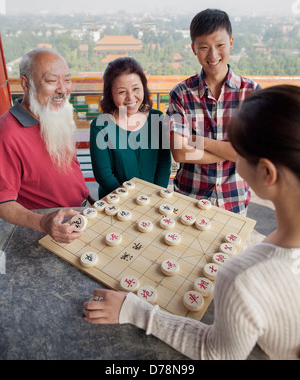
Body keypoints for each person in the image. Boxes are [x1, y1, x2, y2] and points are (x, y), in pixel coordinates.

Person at [83, 85, 300, 360]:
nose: (233, 155)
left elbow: (216, 353)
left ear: (267, 173)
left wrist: (134, 309)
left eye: (239, 150)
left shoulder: (244, 278)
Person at [166, 8, 260, 214]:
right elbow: (180, 152)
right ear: (193, 48)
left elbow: (252, 153)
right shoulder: (181, 94)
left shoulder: (251, 93)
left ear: (231, 43)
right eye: (204, 47)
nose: (213, 55)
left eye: (220, 45)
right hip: (189, 199)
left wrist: (196, 140)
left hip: (235, 199)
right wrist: (232, 151)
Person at [0, 48, 92, 243]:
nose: (62, 89)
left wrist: (89, 202)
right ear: (26, 84)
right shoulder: (7, 133)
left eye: (66, 80)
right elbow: (3, 202)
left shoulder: (56, 115)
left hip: (80, 216)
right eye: (51, 81)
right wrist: (43, 223)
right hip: (46, 231)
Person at [90, 57, 171, 198]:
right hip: (114, 202)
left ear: (144, 88)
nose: (130, 97)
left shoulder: (157, 119)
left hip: (153, 199)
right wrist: (131, 203)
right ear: (110, 94)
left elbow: (163, 165)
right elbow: (104, 175)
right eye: (122, 92)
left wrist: (156, 197)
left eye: (136, 89)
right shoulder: (100, 126)